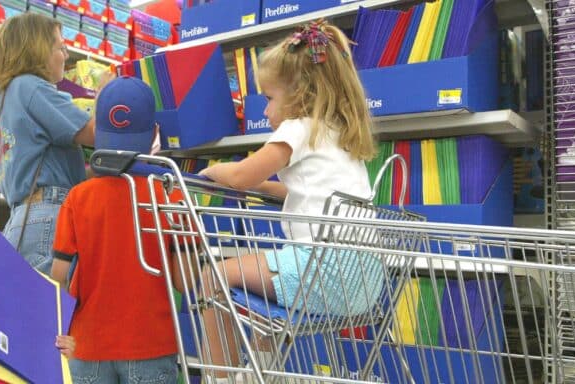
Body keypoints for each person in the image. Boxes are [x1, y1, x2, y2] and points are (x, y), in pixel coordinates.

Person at [197, 20, 382, 380]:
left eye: (269, 98)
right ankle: (257, 374)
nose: (264, 111)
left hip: (325, 271)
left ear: (300, 93)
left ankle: (218, 376)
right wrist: (268, 188)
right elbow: (317, 194)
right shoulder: (338, 131)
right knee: (268, 292)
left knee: (213, 276)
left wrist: (214, 171)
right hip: (364, 280)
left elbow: (239, 177)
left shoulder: (298, 127)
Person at [52, 77, 187, 383]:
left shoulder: (78, 197)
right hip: (150, 344)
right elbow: (184, 281)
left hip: (86, 345)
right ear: (154, 133)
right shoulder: (171, 197)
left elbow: (58, 277)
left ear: (97, 132)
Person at [0, 12, 97, 275]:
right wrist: (111, 96)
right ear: (37, 50)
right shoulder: (32, 87)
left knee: (33, 309)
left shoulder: (9, 94)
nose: (66, 56)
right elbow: (95, 132)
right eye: (61, 47)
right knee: (52, 310)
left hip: (25, 218)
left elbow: (50, 167)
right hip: (49, 216)